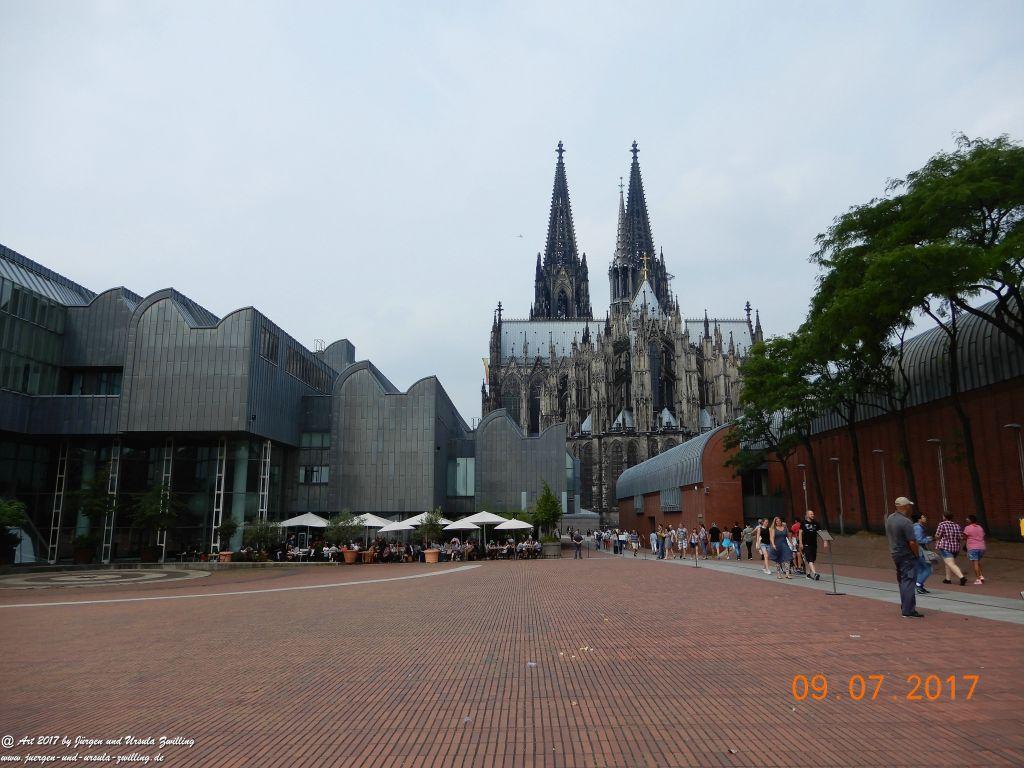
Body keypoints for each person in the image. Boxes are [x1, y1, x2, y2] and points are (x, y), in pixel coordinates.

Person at [885, 497, 923, 618]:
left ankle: (905, 605)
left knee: (902, 580)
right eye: (909, 506)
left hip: (895, 553)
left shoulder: (890, 519)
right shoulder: (906, 522)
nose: (910, 508)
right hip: (907, 554)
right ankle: (908, 609)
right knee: (909, 580)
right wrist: (917, 555)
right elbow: (912, 542)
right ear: (905, 507)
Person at [934, 513, 968, 586]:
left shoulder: (942, 524)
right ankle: (947, 579)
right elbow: (960, 537)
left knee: (950, 563)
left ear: (944, 517)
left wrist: (936, 538)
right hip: (955, 547)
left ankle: (962, 577)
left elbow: (938, 535)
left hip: (945, 546)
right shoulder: (957, 525)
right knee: (948, 563)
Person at [798, 510, 824, 581]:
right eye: (811, 514)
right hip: (806, 544)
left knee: (812, 559)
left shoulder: (816, 523)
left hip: (814, 544)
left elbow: (820, 532)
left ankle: (808, 574)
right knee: (809, 559)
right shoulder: (803, 523)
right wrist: (800, 543)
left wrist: (825, 540)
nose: (812, 515)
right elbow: (800, 533)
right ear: (807, 515)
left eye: (813, 514)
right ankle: (815, 573)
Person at [911, 512, 933, 594]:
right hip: (921, 550)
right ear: (919, 519)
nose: (925, 518)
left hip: (917, 550)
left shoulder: (916, 527)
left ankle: (920, 586)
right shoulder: (918, 527)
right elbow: (919, 540)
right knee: (928, 568)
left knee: (921, 569)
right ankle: (918, 584)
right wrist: (929, 539)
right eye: (923, 517)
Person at [963, 515, 986, 585]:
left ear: (970, 520)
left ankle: (978, 579)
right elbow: (983, 535)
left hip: (973, 547)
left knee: (975, 563)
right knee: (978, 562)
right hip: (982, 547)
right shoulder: (980, 527)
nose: (966, 520)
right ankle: (981, 576)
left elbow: (965, 537)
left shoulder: (967, 528)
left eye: (967, 519)